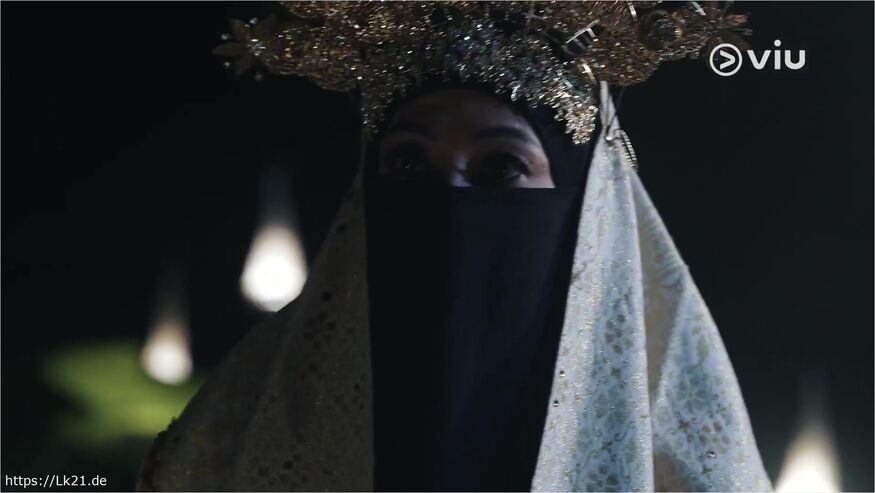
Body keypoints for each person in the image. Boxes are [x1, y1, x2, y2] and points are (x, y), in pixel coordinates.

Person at [138, 3, 771, 491]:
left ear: (585, 210)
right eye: (409, 163)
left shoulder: (684, 456)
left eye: (501, 167)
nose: (450, 200)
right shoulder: (242, 426)